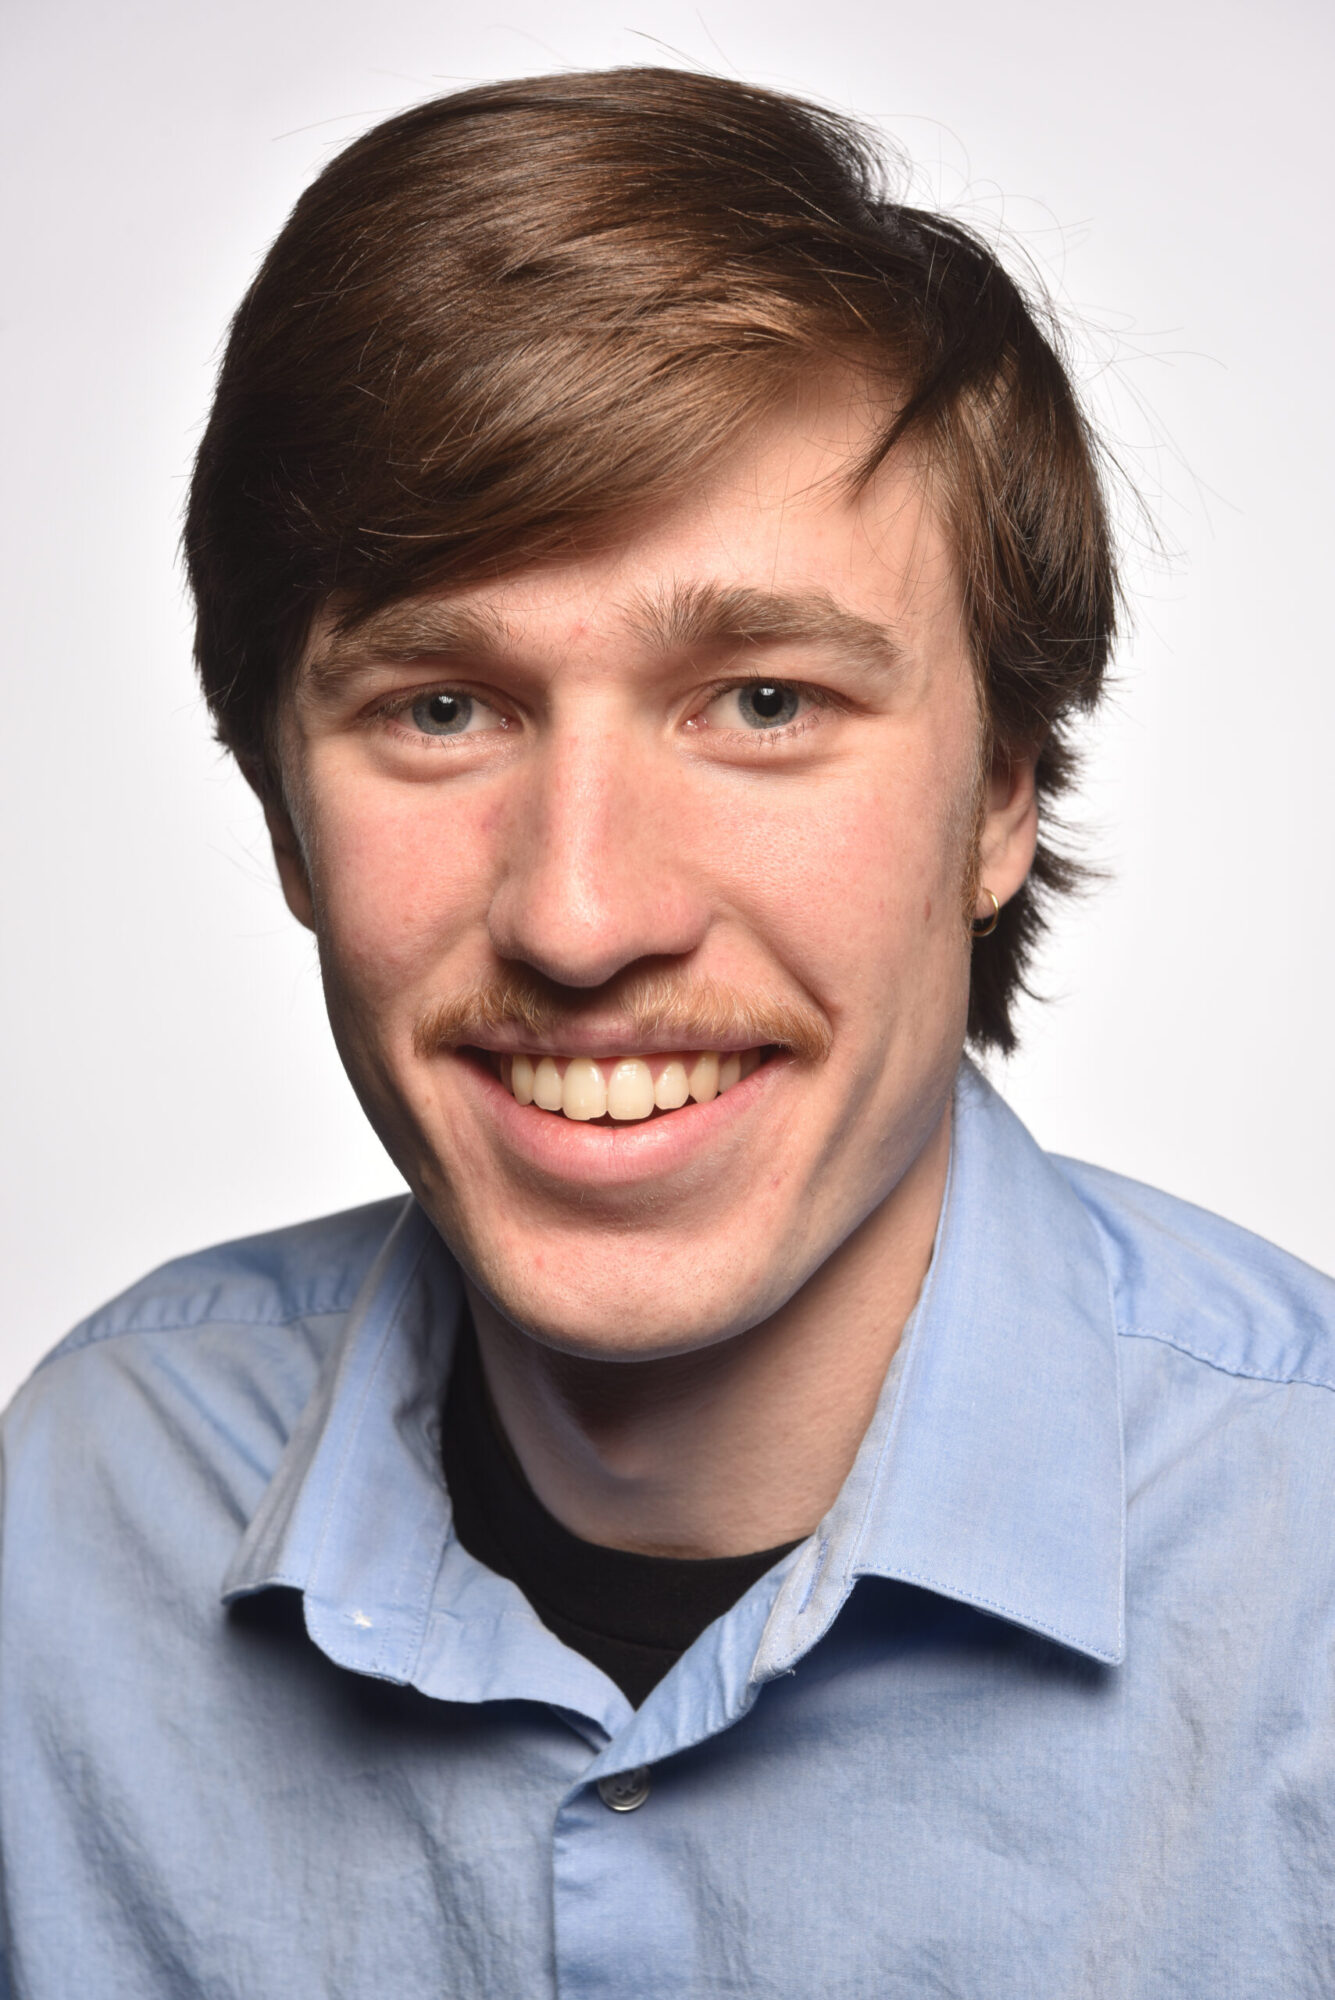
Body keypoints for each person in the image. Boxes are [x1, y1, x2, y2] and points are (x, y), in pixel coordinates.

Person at [1, 64, 1331, 1999]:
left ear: (1000, 801)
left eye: (768, 701)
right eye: (441, 708)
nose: (583, 913)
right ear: (283, 813)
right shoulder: (80, 1515)